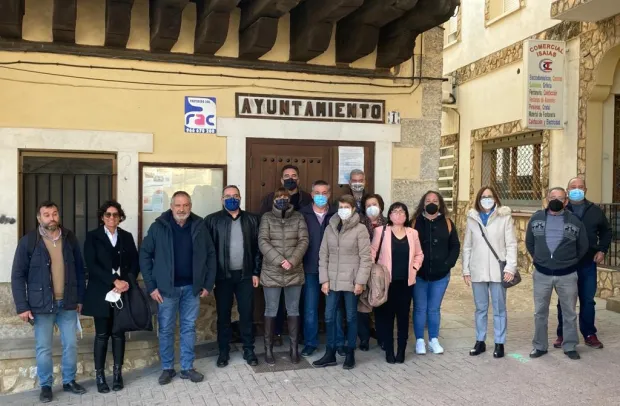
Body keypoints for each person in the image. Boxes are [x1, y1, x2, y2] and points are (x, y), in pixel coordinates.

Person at [11, 201, 87, 403]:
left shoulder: (69, 238)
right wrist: (22, 306)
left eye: (54, 214)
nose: (51, 218)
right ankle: (46, 386)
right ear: (39, 218)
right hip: (41, 305)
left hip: (68, 303)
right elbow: (17, 275)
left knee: (71, 344)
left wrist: (80, 298)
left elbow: (79, 270)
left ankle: (69, 381)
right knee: (44, 348)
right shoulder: (29, 241)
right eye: (47, 214)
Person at [140, 191, 217, 384]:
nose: (181, 209)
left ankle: (187, 367)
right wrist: (151, 286)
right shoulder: (158, 227)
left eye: (185, 205)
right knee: (166, 329)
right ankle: (167, 368)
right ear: (171, 206)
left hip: (192, 288)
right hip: (166, 290)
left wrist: (208, 283)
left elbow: (211, 255)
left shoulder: (199, 226)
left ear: (190, 206)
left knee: (188, 328)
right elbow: (144, 254)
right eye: (178, 205)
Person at [82, 201, 139, 393]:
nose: (112, 218)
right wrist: (114, 281)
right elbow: (92, 265)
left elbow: (134, 262)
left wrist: (126, 282)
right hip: (101, 292)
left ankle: (117, 374)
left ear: (120, 217)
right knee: (101, 335)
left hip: (122, 292)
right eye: (108, 214)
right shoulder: (93, 237)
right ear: (102, 217)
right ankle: (99, 376)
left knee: (118, 333)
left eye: (115, 214)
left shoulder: (126, 236)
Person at [526, 187, 589, 360]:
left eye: (560, 198)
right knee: (540, 312)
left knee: (569, 312)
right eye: (553, 197)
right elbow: (529, 242)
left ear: (566, 201)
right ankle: (540, 346)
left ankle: (570, 346)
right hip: (542, 274)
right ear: (547, 198)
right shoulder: (536, 218)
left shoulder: (575, 221)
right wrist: (540, 259)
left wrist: (570, 261)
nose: (556, 200)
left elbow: (583, 246)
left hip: (567, 275)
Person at [205, 185, 262, 368]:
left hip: (246, 276)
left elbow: (258, 249)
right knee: (224, 316)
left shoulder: (252, 220)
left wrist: (256, 272)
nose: (232, 199)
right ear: (222, 199)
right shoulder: (212, 220)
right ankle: (223, 351)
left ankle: (248, 349)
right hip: (222, 277)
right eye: (228, 196)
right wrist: (210, 277)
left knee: (246, 314)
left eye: (235, 196)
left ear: (240, 198)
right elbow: (207, 251)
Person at [313, 195, 372, 370]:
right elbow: (323, 255)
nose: (343, 210)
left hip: (352, 281)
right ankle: (330, 352)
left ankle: (350, 353)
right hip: (332, 281)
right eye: (340, 207)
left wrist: (360, 281)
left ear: (353, 209)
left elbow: (365, 258)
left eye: (346, 207)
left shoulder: (360, 229)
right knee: (329, 316)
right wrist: (324, 280)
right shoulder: (330, 227)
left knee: (351, 316)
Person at [554, 177, 612, 349]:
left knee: (587, 300)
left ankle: (589, 333)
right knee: (565, 300)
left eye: (580, 187)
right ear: (567, 190)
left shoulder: (595, 210)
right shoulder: (560, 210)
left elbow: (606, 231)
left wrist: (602, 250)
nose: (577, 189)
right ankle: (563, 334)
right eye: (573, 187)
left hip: (587, 263)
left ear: (585, 190)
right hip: (566, 264)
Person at [259, 165, 312, 345]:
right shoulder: (268, 204)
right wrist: (279, 260)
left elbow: (304, 238)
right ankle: (276, 336)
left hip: (296, 264)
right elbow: (263, 237)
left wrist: (292, 260)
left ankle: (297, 340)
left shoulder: (306, 200)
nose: (290, 179)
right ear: (281, 179)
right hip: (273, 267)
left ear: (298, 178)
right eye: (287, 176)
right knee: (273, 306)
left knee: (296, 306)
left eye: (294, 175)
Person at [462, 187, 517, 358]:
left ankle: (499, 342)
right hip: (477, 269)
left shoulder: (504, 217)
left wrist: (510, 267)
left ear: (495, 198)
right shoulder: (472, 218)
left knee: (499, 308)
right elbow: (467, 246)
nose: (487, 199)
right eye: (483, 196)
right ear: (479, 199)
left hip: (498, 271)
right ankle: (480, 340)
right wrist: (465, 269)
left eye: (490, 196)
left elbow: (511, 244)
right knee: (480, 308)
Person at [372, 202, 423, 363]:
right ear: (390, 214)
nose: (399, 214)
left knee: (403, 318)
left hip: (406, 284)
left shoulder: (412, 233)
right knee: (387, 318)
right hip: (387, 283)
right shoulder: (381, 231)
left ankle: (401, 351)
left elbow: (419, 254)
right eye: (395, 211)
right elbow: (372, 253)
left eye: (402, 211)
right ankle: (389, 350)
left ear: (406, 215)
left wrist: (414, 268)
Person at [411, 191, 460, 355]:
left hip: (440, 275)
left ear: (440, 204)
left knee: (434, 309)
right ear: (423, 204)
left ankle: (433, 340)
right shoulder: (415, 222)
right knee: (419, 308)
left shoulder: (447, 223)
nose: (431, 203)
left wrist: (448, 264)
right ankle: (419, 340)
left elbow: (455, 246)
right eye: (428, 200)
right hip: (419, 275)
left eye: (435, 200)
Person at [299, 180, 337, 357]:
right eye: (317, 193)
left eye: (324, 192)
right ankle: (310, 343)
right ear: (312, 194)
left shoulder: (337, 214)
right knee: (310, 308)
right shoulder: (302, 214)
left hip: (333, 268)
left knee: (334, 308)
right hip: (310, 267)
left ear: (329, 194)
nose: (321, 196)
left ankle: (336, 342)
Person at [358, 193, 387, 350]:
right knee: (363, 304)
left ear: (380, 206)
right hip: (364, 269)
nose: (371, 208)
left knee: (381, 303)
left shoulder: (388, 224)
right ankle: (364, 338)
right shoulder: (359, 224)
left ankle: (382, 337)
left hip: (382, 270)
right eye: (368, 205)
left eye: (374, 204)